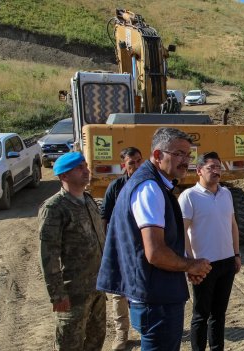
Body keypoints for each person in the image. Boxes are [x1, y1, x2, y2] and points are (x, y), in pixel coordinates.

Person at [96, 127, 212, 350]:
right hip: (156, 300)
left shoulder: (153, 184)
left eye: (188, 155)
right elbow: (156, 252)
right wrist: (191, 264)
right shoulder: (149, 188)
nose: (185, 160)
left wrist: (185, 268)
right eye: (178, 154)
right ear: (158, 156)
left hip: (154, 295)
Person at [38, 152, 106, 350]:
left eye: (85, 166)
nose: (86, 171)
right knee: (70, 344)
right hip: (73, 294)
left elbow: (100, 242)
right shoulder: (54, 208)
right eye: (79, 168)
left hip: (97, 289)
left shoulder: (89, 200)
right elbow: (48, 255)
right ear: (64, 176)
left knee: (96, 340)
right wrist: (57, 294)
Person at [179, 151, 242, 351]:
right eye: (211, 167)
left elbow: (232, 225)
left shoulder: (226, 193)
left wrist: (237, 254)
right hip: (203, 265)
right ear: (198, 171)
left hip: (227, 262)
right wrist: (190, 263)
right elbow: (182, 232)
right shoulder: (189, 196)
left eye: (218, 167)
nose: (216, 171)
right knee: (201, 315)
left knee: (219, 314)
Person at [99, 146, 143, 351]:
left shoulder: (148, 185)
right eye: (132, 162)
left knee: (142, 291)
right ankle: (121, 335)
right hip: (119, 247)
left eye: (139, 161)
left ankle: (145, 330)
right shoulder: (116, 187)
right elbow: (104, 216)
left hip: (142, 248)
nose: (136, 165)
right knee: (119, 294)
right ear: (123, 165)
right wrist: (106, 244)